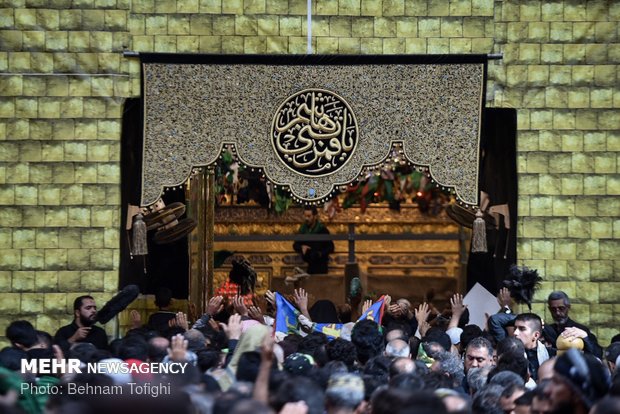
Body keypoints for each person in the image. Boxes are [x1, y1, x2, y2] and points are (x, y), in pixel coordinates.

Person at [542, 291, 603, 358]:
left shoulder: (581, 330)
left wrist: (585, 337)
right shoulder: (546, 330)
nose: (557, 313)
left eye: (561, 308)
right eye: (553, 309)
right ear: (549, 309)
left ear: (568, 307)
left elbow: (598, 354)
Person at [293, 206, 334, 275]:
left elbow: (331, 247)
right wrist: (302, 247)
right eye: (305, 216)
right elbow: (295, 245)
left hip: (321, 266)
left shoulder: (322, 230)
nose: (306, 218)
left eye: (309, 216)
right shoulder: (303, 229)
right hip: (308, 265)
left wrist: (320, 253)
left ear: (315, 216)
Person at [513, 313, 553, 382]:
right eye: (515, 328)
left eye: (522, 329)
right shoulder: (510, 355)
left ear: (536, 335)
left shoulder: (552, 354)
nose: (515, 333)